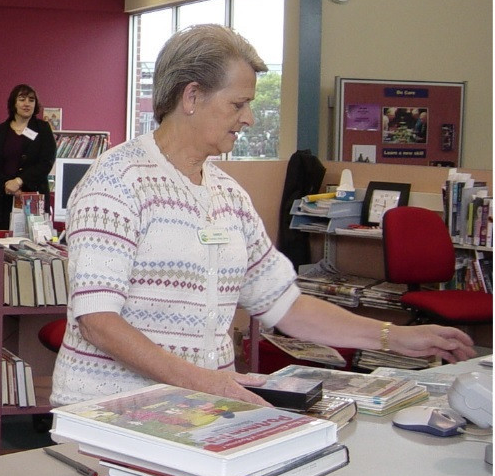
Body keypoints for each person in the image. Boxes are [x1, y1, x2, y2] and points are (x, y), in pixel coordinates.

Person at [51, 24, 475, 407]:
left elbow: (285, 305)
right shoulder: (116, 182)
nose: (249, 118)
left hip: (194, 412)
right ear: (192, 96)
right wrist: (210, 384)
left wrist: (394, 336)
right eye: (239, 104)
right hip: (111, 412)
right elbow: (98, 322)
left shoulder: (228, 195)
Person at [0, 83, 56, 230]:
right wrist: (7, 184)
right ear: (13, 103)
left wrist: (20, 181)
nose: (27, 103)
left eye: (31, 100)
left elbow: (47, 162)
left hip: (31, 200)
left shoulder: (43, 129)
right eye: (22, 99)